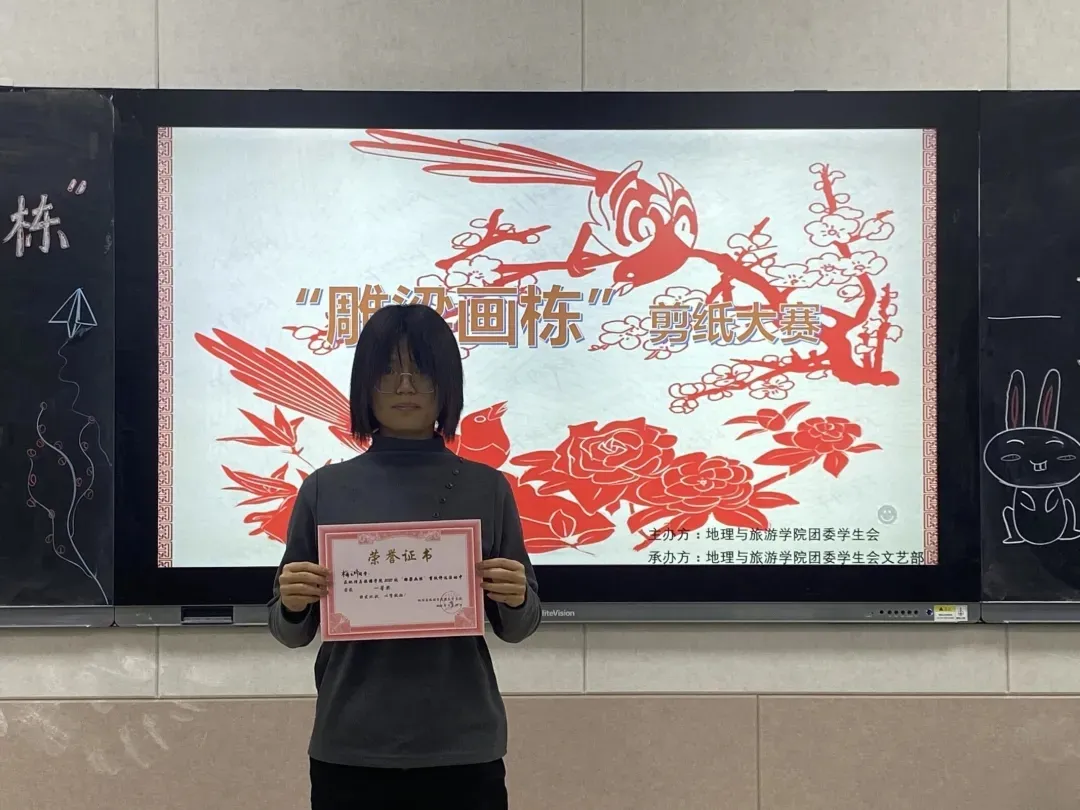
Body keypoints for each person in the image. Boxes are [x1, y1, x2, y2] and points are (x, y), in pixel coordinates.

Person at [269, 304, 541, 810]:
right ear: (364, 386)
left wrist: (516, 595)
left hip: (463, 745)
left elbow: (519, 626)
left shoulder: (488, 487)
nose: (405, 386)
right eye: (388, 371)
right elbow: (290, 631)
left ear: (447, 384)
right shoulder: (324, 488)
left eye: (421, 371)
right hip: (352, 745)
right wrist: (291, 601)